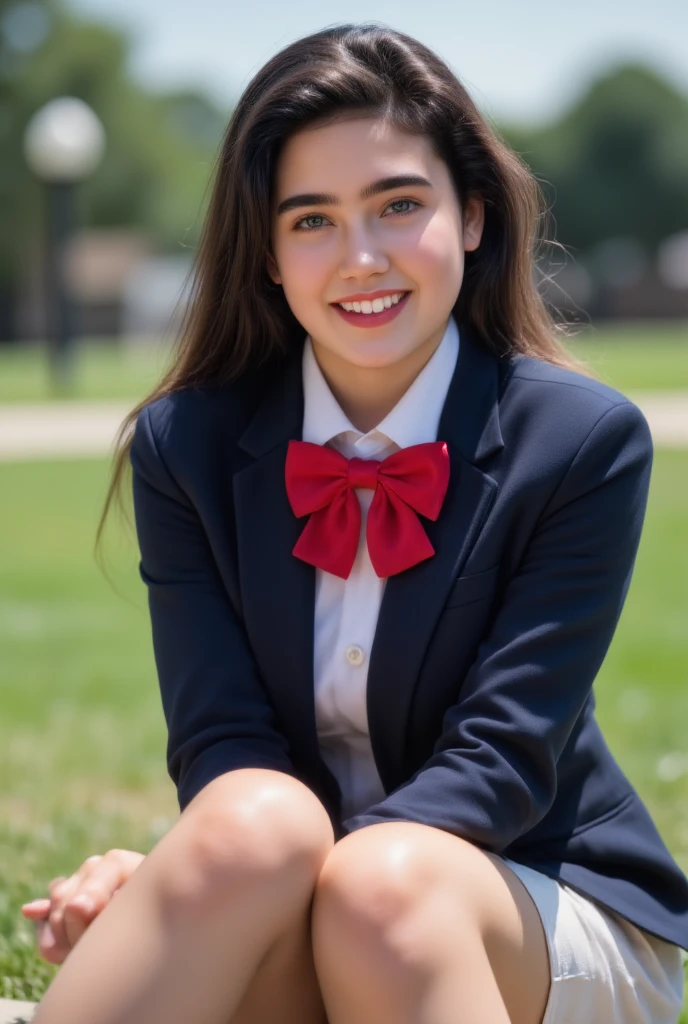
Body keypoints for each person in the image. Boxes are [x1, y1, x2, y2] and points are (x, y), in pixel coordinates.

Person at [21, 21, 687, 1024]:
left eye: (398, 205)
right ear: (267, 253)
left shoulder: (582, 442)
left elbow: (498, 763)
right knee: (252, 821)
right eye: (311, 220)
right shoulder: (184, 446)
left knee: (378, 889)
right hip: (302, 888)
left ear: (470, 214)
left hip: (533, 899)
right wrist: (203, 881)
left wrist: (199, 886)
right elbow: (222, 742)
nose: (360, 257)